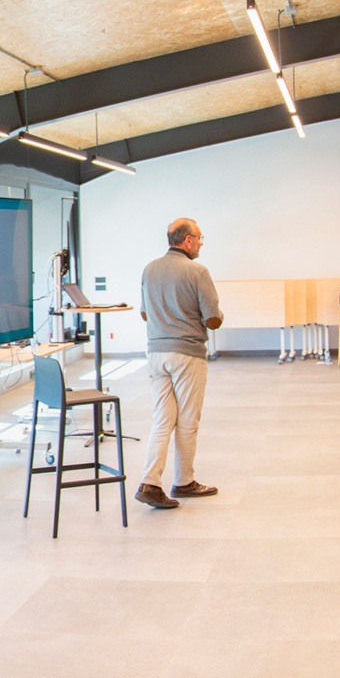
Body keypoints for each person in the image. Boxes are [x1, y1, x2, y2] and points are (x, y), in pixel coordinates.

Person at [137, 217, 222, 509]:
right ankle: (184, 482)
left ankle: (150, 482)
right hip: (187, 354)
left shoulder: (149, 269)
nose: (200, 243)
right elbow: (214, 319)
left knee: (162, 420)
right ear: (187, 240)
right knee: (187, 421)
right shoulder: (198, 271)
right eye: (199, 238)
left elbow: (145, 314)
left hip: (155, 355)